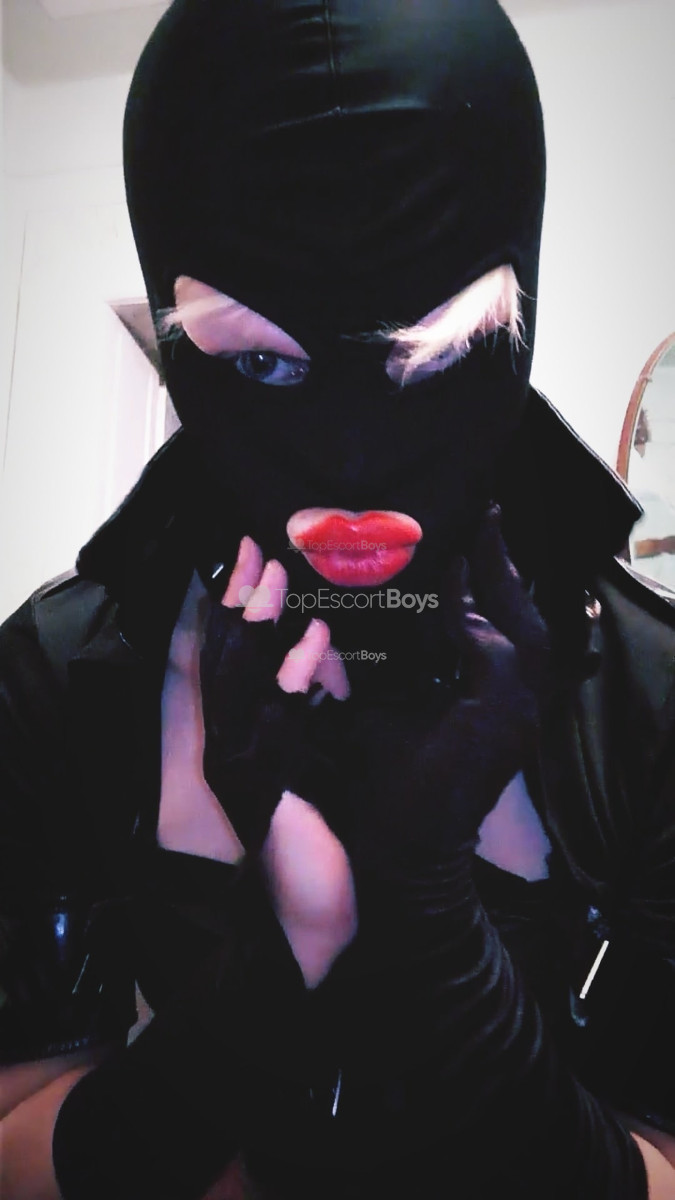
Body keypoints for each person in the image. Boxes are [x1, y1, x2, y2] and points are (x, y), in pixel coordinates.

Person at [2, 1, 675, 1197]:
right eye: (262, 360)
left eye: (437, 349)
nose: (354, 462)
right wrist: (285, 952)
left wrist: (430, 922)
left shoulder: (655, 699)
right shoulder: (58, 675)